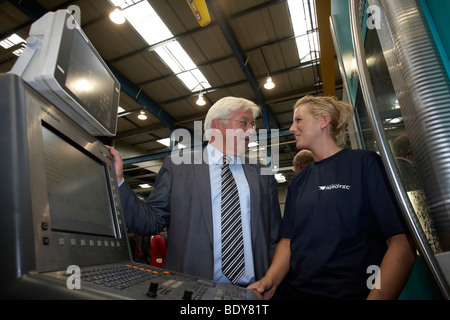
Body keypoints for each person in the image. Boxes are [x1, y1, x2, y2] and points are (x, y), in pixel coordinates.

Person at [248, 95, 416, 299]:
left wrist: (377, 295)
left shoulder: (364, 163)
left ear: (323, 121)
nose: (292, 128)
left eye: (298, 120)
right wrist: (271, 280)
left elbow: (401, 243)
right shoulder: (299, 180)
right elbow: (288, 240)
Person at [108, 97, 281, 287]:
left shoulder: (262, 173)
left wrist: (272, 280)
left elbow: (273, 236)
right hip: (191, 288)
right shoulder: (178, 167)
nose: (252, 130)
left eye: (252, 124)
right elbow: (150, 222)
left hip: (252, 291)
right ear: (217, 125)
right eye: (244, 122)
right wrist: (119, 182)